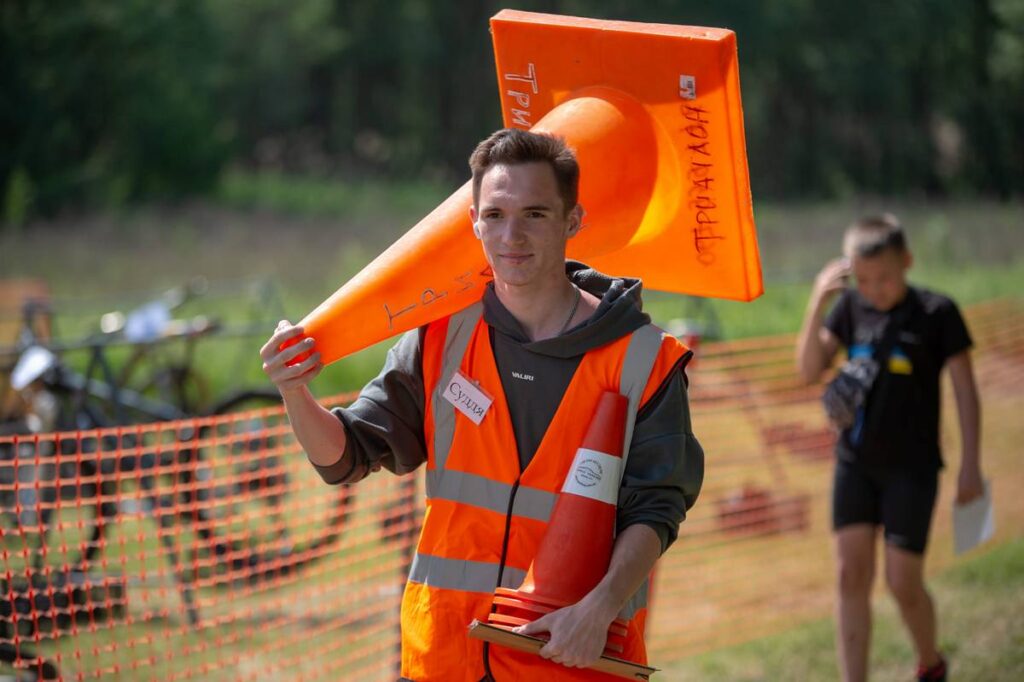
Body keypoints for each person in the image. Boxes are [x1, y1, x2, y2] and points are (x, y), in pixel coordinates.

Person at [260, 128, 704, 681]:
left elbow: (657, 509)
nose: (511, 235)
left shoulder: (646, 359)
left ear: (573, 221)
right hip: (447, 654)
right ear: (472, 221)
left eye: (535, 214)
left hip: (570, 653)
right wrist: (293, 389)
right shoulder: (440, 340)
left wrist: (598, 609)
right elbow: (343, 456)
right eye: (494, 215)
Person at [796, 214, 983, 682]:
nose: (872, 289)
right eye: (861, 280)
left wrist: (971, 467)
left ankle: (931, 664)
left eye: (883, 278)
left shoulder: (938, 313)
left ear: (907, 262)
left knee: (903, 583)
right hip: (854, 466)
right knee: (849, 576)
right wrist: (820, 298)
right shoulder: (849, 309)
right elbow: (808, 369)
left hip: (912, 470)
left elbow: (965, 390)